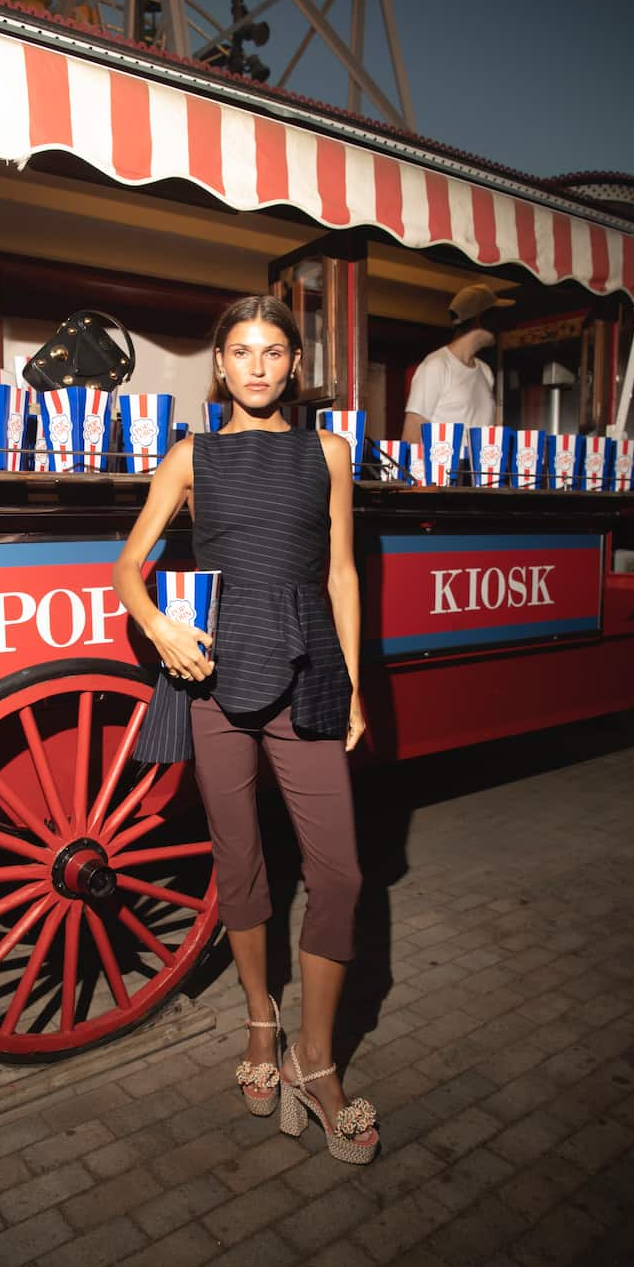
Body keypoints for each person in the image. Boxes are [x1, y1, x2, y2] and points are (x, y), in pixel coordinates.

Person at [112, 295, 378, 1164]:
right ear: (218, 366)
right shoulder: (192, 456)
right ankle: (261, 1024)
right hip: (217, 677)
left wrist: (354, 687)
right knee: (241, 863)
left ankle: (315, 1059)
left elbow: (341, 574)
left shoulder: (328, 452)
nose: (258, 367)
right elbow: (128, 567)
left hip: (308, 670)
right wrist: (159, 627)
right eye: (241, 352)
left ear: (294, 365)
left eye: (273, 352)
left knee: (339, 873)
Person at [402, 282, 514, 444]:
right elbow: (411, 435)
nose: (502, 325)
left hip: (481, 468)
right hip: (444, 468)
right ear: (479, 319)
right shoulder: (437, 365)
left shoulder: (485, 371)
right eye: (496, 316)